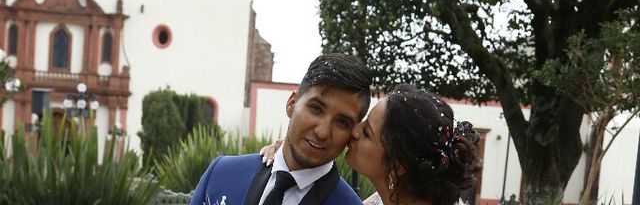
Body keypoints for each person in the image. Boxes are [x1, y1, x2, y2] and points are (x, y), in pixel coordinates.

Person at [189, 53, 373, 205]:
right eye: (316, 109)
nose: (322, 132)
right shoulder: (221, 173)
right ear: (292, 103)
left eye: (342, 122)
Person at [262, 84, 482, 205]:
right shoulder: (385, 198)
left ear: (398, 167)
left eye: (366, 132)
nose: (354, 130)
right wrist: (288, 152)